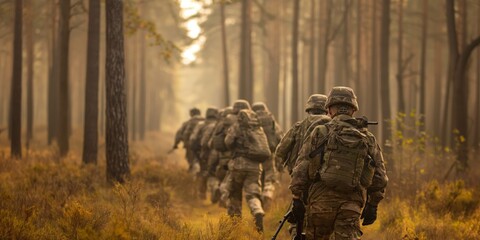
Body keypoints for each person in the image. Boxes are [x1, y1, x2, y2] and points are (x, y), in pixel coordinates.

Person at [289, 86, 388, 240]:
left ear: (329, 109)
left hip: (320, 204)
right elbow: (380, 177)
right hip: (351, 206)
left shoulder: (320, 132)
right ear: (353, 110)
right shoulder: (367, 137)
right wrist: (373, 204)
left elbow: (301, 167)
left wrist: (296, 198)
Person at [224, 100, 269, 232]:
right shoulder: (257, 126)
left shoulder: (237, 126)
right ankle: (257, 211)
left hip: (238, 165)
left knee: (234, 194)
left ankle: (236, 226)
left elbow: (228, 142)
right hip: (255, 167)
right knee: (253, 194)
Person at [275, 94, 331, 175]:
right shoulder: (332, 126)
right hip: (324, 174)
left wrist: (279, 167)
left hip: (299, 172)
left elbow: (281, 149)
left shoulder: (298, 127)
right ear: (327, 110)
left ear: (308, 109)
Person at [251, 102, 283, 210]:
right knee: (269, 177)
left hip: (254, 155)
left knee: (257, 178)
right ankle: (268, 193)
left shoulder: (251, 119)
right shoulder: (270, 119)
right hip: (269, 153)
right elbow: (279, 136)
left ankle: (257, 203)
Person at [190, 107, 219, 200]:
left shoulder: (201, 124)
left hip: (204, 152)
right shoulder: (219, 124)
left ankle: (202, 193)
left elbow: (193, 139)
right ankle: (215, 187)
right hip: (220, 153)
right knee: (215, 172)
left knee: (204, 171)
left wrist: (195, 150)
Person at [173, 108, 204, 172]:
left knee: (192, 160)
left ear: (191, 114)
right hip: (203, 145)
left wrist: (176, 144)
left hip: (190, 145)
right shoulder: (206, 121)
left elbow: (179, 134)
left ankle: (193, 173)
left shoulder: (187, 123)